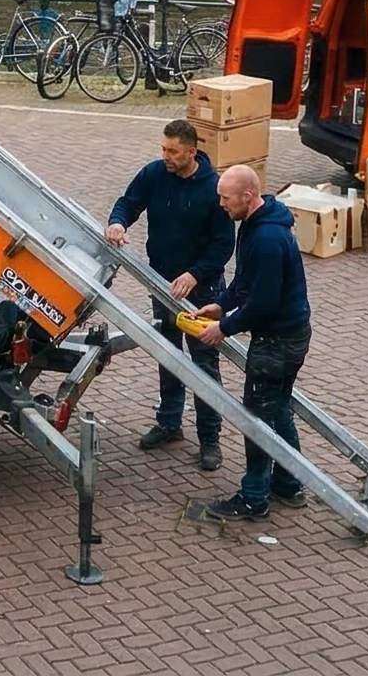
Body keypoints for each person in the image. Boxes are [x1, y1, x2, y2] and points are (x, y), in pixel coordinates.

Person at [103, 119, 235, 472]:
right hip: (161, 284)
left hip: (202, 291)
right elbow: (128, 203)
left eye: (173, 151)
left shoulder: (214, 188)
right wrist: (118, 223)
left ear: (192, 152)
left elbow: (224, 244)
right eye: (163, 149)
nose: (166, 156)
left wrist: (194, 275)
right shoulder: (154, 174)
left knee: (204, 365)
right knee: (167, 354)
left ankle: (210, 438)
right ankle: (169, 423)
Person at [190, 163, 313, 522]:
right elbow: (246, 282)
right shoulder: (255, 224)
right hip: (288, 335)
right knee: (277, 410)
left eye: (226, 198)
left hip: (277, 341)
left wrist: (223, 328)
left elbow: (263, 303)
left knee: (256, 418)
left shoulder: (267, 239)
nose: (221, 205)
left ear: (247, 196)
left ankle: (254, 497)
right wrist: (221, 304)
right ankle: (289, 484)